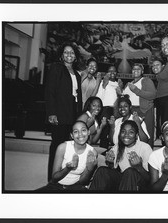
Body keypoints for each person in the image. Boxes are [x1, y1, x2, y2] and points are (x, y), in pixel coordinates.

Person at [45, 41, 83, 181]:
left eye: (72, 52)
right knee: (57, 145)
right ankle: (52, 178)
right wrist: (51, 113)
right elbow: (50, 92)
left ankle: (63, 176)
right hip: (60, 112)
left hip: (72, 112)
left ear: (76, 56)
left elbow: (77, 96)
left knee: (68, 146)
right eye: (66, 52)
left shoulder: (77, 74)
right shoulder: (56, 68)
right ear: (61, 56)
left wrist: (78, 116)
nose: (69, 55)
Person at [89, 120, 152, 191]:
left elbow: (150, 179)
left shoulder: (145, 148)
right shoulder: (117, 147)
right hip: (124, 182)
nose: (126, 135)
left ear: (136, 135)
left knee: (130, 172)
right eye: (123, 132)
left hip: (140, 185)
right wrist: (110, 163)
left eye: (131, 132)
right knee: (102, 171)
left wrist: (138, 167)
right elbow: (114, 171)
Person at [36, 120, 98, 192]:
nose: (80, 134)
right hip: (56, 185)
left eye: (83, 130)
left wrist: (89, 169)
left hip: (76, 186)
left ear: (88, 132)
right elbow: (54, 178)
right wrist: (68, 168)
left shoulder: (92, 152)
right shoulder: (62, 147)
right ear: (72, 135)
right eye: (76, 131)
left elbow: (83, 182)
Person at [118, 63, 156, 148]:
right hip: (131, 111)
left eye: (138, 69)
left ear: (142, 71)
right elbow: (126, 99)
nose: (135, 71)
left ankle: (148, 155)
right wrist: (120, 93)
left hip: (144, 110)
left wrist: (136, 90)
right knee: (133, 134)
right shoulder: (129, 84)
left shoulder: (146, 80)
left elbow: (153, 95)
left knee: (146, 134)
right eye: (134, 69)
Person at [95, 65, 123, 149]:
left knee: (114, 132)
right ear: (107, 73)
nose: (112, 73)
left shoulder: (118, 84)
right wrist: (103, 85)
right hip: (105, 109)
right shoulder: (104, 82)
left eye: (114, 71)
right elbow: (99, 96)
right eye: (110, 71)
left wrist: (120, 92)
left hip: (115, 110)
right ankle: (103, 153)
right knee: (104, 133)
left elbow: (121, 100)